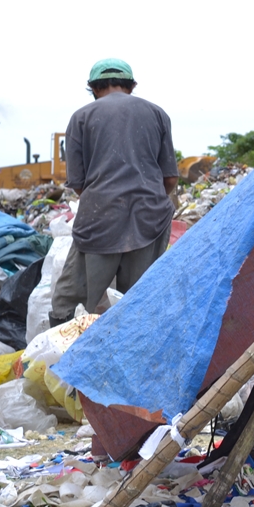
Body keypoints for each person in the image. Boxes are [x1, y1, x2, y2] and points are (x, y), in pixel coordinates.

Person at [49, 58, 179, 326]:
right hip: (149, 216)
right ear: (131, 86)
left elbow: (77, 183)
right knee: (139, 299)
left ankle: (61, 355)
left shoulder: (81, 117)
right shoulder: (157, 114)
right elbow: (170, 178)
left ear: (93, 88)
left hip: (99, 218)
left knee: (71, 300)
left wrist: (105, 199)